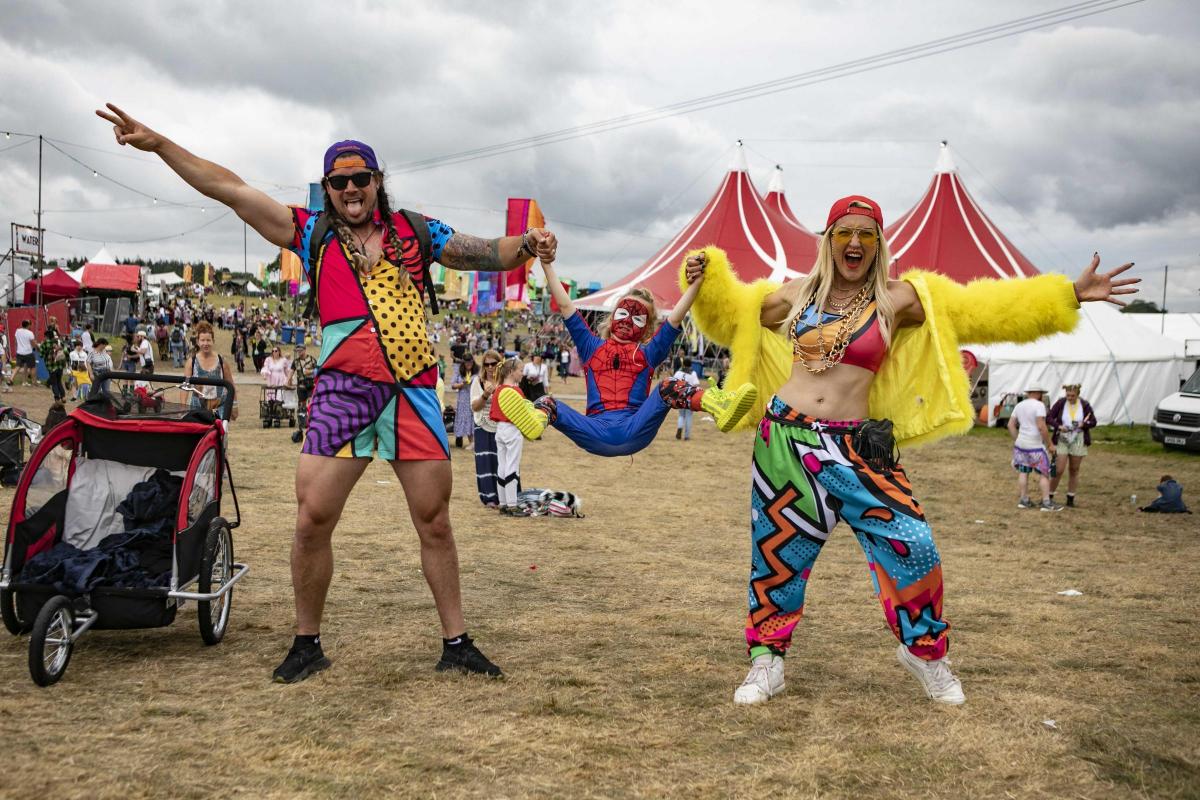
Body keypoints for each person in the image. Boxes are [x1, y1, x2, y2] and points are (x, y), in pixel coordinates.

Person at [97, 103, 553, 683]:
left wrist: (530, 242)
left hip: (411, 391)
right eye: (338, 182)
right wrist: (161, 144)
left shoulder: (415, 230)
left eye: (360, 178)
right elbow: (230, 191)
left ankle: (456, 642)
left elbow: (490, 252)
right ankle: (306, 641)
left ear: (377, 182)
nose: (350, 189)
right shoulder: (311, 232)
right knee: (313, 519)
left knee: (434, 520)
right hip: (343, 394)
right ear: (328, 190)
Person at [682, 194, 1137, 707]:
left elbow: (983, 311)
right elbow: (731, 319)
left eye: (867, 234)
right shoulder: (794, 295)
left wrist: (1069, 294)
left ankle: (924, 653)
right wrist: (706, 278)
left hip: (860, 447)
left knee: (914, 545)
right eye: (844, 233)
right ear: (828, 241)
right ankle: (767, 662)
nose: (855, 243)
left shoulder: (901, 299)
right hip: (786, 441)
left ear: (879, 243)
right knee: (777, 558)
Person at [499, 250, 758, 456]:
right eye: (624, 313)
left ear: (646, 330)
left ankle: (719, 406)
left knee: (669, 386)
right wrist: (546, 265)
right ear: (612, 316)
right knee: (548, 401)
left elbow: (675, 319)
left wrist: (697, 284)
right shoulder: (591, 347)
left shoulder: (647, 353)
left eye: (637, 318)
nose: (627, 321)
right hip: (594, 431)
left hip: (635, 428)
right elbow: (566, 306)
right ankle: (535, 419)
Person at [1009, 387, 1062, 511]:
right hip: (1035, 445)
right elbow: (1041, 426)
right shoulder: (1039, 405)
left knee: (1023, 471)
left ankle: (1024, 499)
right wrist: (1050, 444)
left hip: (1021, 444)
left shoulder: (1019, 405)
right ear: (1038, 393)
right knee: (1044, 473)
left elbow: (1010, 425)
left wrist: (1017, 439)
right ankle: (1046, 502)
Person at [1046, 383, 1097, 507]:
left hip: (1078, 438)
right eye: (1068, 395)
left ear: (1077, 395)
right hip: (1062, 438)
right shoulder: (1060, 403)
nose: (1070, 398)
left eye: (1072, 396)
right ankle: (1049, 496)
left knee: (1074, 469)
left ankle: (1070, 497)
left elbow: (1093, 421)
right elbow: (1049, 418)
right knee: (1059, 470)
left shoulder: (1084, 405)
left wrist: (1083, 425)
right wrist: (1059, 426)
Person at [490, 357, 528, 516]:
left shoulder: (498, 390)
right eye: (520, 370)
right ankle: (512, 504)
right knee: (512, 465)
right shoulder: (516, 391)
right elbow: (525, 413)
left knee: (502, 465)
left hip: (500, 429)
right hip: (512, 429)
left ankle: (503, 502)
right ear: (512, 372)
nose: (522, 374)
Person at [184, 321, 237, 421]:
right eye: (202, 340)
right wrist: (182, 408)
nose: (205, 343)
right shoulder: (191, 362)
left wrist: (234, 405)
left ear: (213, 341)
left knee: (218, 436)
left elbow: (231, 385)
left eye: (208, 340)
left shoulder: (222, 362)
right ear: (198, 341)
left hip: (219, 410)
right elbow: (185, 387)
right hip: (197, 409)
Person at [469, 350, 503, 507]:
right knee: (485, 461)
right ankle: (489, 497)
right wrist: (485, 395)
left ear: (499, 364)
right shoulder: (478, 381)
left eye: (493, 364)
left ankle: (504, 495)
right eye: (487, 364)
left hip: (502, 426)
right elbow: (474, 407)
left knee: (502, 461)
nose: (490, 367)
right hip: (483, 424)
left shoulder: (506, 381)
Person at [450, 353, 477, 449]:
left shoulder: (477, 372)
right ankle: (466, 441)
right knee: (464, 419)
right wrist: (462, 384)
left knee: (473, 419)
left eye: (470, 362)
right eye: (466, 363)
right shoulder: (458, 372)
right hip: (463, 399)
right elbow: (453, 385)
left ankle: (474, 442)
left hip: (474, 397)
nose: (469, 364)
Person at [672, 357, 700, 440]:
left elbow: (673, 382)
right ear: (691, 364)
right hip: (689, 397)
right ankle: (687, 436)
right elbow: (696, 384)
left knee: (681, 415)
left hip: (680, 396)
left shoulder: (678, 373)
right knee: (688, 416)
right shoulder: (693, 373)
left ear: (683, 364)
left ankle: (680, 427)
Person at [39, 329, 67, 402]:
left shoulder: (45, 343)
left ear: (46, 336)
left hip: (51, 365)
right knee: (59, 381)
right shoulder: (59, 341)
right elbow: (65, 351)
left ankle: (57, 398)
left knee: (54, 382)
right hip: (60, 364)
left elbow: (41, 355)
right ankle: (63, 397)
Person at [13, 320, 36, 386]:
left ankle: (24, 381)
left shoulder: (17, 331)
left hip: (19, 352)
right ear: (28, 325)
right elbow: (33, 343)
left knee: (20, 367)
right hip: (28, 352)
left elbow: (15, 341)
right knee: (32, 367)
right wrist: (36, 347)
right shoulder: (30, 333)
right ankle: (34, 382)